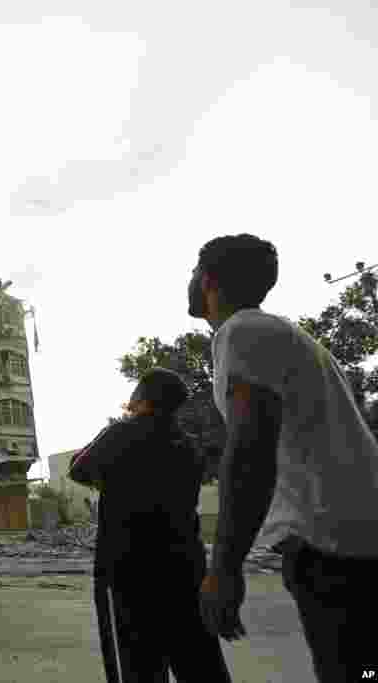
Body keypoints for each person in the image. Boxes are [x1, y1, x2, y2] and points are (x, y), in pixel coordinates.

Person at [188, 234, 378, 682]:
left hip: (334, 546)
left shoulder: (243, 331)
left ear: (209, 281)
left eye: (193, 274)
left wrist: (225, 570)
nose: (191, 283)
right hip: (355, 539)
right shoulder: (288, 338)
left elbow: (250, 448)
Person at [70, 367, 232, 683]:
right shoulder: (190, 446)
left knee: (142, 665)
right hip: (186, 567)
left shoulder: (118, 434)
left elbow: (79, 469)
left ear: (142, 398)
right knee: (200, 661)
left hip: (132, 571)